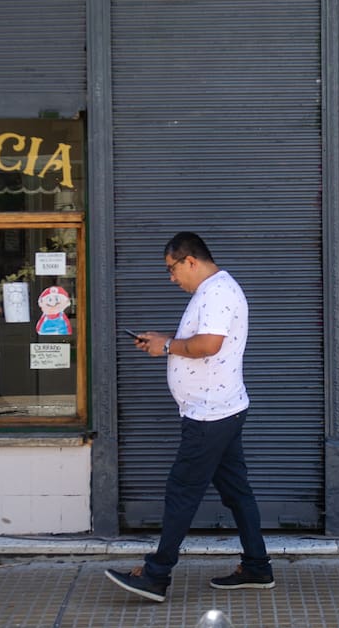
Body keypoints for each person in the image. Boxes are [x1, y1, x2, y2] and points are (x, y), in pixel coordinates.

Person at [105, 232, 273, 603]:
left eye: (172, 269)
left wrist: (166, 345)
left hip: (210, 414)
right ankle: (257, 566)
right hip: (221, 408)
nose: (171, 278)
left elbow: (208, 345)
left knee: (181, 491)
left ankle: (156, 575)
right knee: (236, 491)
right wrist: (162, 340)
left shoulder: (217, 292)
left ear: (191, 261)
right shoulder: (213, 290)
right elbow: (201, 340)